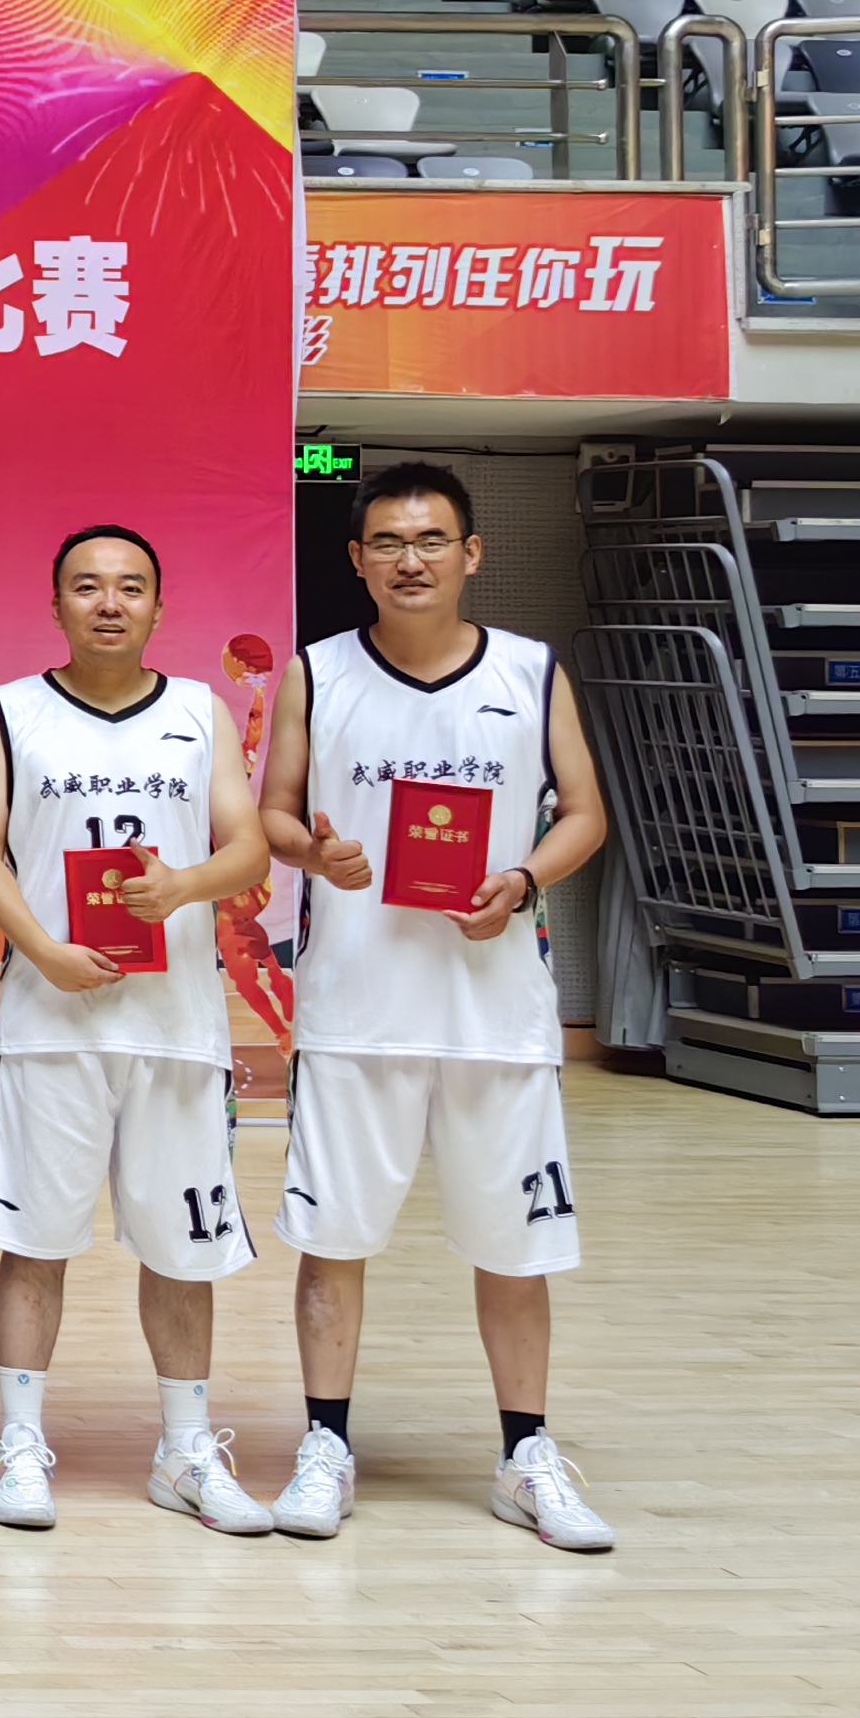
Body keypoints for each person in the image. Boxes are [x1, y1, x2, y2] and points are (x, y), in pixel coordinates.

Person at [259, 460, 616, 1551]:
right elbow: (274, 813)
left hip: (494, 1013)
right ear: (356, 558)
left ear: (471, 553)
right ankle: (325, 1445)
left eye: (430, 540)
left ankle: (525, 1454)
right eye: (387, 542)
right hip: (354, 1010)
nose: (408, 560)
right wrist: (313, 852)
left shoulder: (530, 670)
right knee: (334, 1237)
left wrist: (523, 880)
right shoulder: (317, 673)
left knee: (516, 1245)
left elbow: (584, 813)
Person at [0, 525, 277, 1534]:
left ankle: (185, 1451)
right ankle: (19, 1445)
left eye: (130, 587)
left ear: (158, 608)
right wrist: (42, 949)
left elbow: (249, 845)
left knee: (182, 1248)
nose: (108, 603)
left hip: (174, 1027)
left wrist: (184, 884)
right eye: (86, 587)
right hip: (50, 1022)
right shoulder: (11, 710)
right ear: (55, 604)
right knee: (33, 1241)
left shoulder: (197, 711)